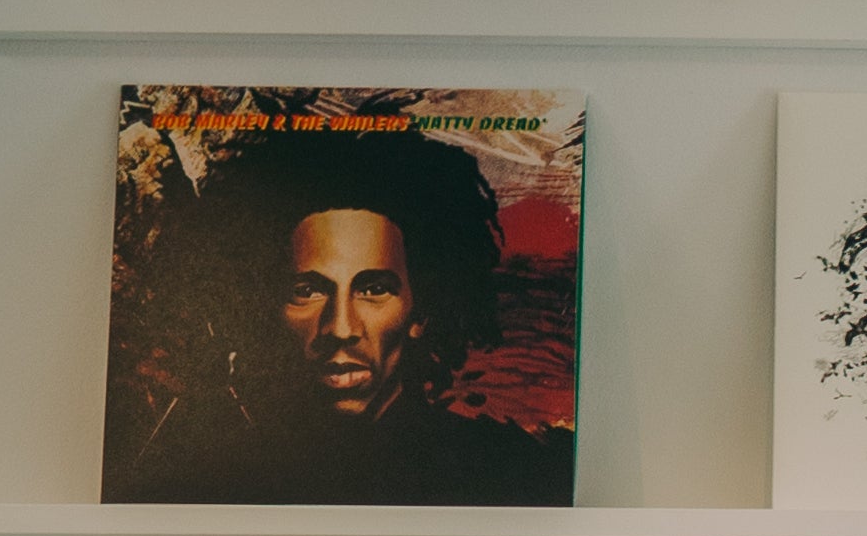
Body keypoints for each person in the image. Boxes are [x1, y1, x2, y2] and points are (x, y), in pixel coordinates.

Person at [109, 111, 573, 502]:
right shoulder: (204, 483)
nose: (341, 327)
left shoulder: (514, 478)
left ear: (422, 311)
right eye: (307, 291)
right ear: (261, 304)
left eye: (373, 288)